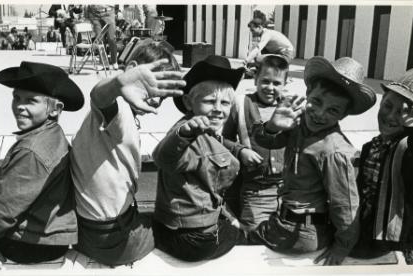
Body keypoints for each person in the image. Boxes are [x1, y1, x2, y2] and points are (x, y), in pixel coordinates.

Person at [243, 56, 377, 265]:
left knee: (243, 237)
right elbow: (264, 141)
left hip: (302, 232)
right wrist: (272, 126)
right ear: (308, 93)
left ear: (343, 115)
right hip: (286, 222)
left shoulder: (334, 151)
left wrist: (342, 248)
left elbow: (346, 206)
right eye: (316, 101)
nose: (320, 114)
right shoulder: (299, 124)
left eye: (333, 110)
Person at [70, 43, 184, 266]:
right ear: (131, 69)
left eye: (163, 94)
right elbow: (99, 97)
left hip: (89, 228)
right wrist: (118, 83)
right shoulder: (118, 111)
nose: (157, 99)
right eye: (152, 86)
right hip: (111, 238)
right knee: (177, 233)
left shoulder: (119, 115)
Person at [0, 62, 84, 270]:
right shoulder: (54, 134)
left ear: (55, 109)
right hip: (54, 239)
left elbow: (4, 207)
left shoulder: (31, 152)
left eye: (31, 101)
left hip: (28, 246)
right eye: (16, 98)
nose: (20, 106)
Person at [151, 55, 244, 262]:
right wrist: (184, 134)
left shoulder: (196, 127)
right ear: (188, 101)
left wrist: (238, 149)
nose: (219, 108)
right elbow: (164, 157)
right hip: (194, 240)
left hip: (170, 225)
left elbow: (215, 146)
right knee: (237, 232)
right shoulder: (187, 133)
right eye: (210, 101)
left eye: (225, 103)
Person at [349, 68, 413, 259]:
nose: (391, 116)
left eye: (402, 112)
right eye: (388, 105)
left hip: (399, 245)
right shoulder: (369, 147)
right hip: (366, 238)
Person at [222, 54, 289, 230]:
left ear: (285, 84)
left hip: (288, 191)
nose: (270, 87)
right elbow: (221, 139)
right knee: (255, 236)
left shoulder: (290, 108)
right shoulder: (241, 104)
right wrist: (240, 150)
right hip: (256, 192)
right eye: (265, 81)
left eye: (277, 83)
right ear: (256, 80)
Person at [85, 5, 119, 70]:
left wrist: (117, 11)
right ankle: (104, 63)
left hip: (108, 13)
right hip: (95, 14)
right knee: (99, 39)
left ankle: (114, 61)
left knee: (111, 38)